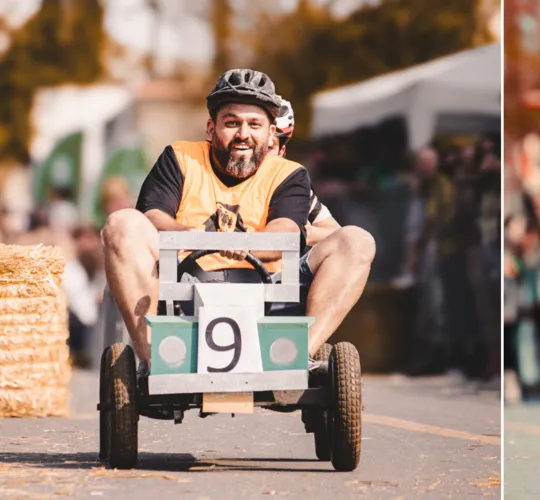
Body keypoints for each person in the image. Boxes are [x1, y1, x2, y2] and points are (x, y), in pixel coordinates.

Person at [102, 68, 376, 377]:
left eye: (254, 124)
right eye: (232, 123)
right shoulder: (179, 157)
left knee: (357, 240)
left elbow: (286, 230)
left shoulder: (289, 174)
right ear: (211, 128)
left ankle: (298, 356)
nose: (243, 133)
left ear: (270, 132)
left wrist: (241, 245)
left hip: (268, 289)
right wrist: (189, 235)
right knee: (121, 223)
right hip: (184, 283)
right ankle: (153, 358)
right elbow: (153, 216)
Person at [266, 97, 342, 246]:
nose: (259, 153)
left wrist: (304, 233)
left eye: (269, 148)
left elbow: (339, 234)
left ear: (281, 152)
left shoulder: (289, 183)